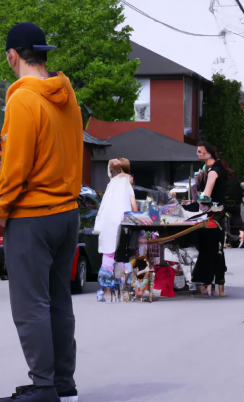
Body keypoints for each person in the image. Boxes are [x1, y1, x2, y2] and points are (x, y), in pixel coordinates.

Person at [0, 23, 83, 402]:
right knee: (58, 302)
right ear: (43, 54)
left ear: (13, 56)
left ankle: (43, 387)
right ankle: (62, 386)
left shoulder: (22, 100)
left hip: (31, 216)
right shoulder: (67, 98)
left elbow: (13, 168)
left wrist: (0, 213)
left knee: (30, 305)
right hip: (67, 213)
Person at [94, 158, 138, 301]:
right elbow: (133, 203)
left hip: (107, 223)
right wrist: (138, 215)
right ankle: (121, 289)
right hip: (121, 223)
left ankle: (103, 291)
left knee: (107, 256)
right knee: (121, 255)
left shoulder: (110, 183)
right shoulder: (126, 180)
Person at [192, 141, 228, 296]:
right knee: (216, 249)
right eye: (198, 152)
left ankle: (207, 283)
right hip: (217, 213)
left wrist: (201, 200)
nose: (198, 154)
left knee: (209, 249)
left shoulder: (214, 171)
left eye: (201, 152)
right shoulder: (212, 168)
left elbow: (207, 193)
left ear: (209, 153)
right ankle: (217, 284)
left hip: (214, 214)